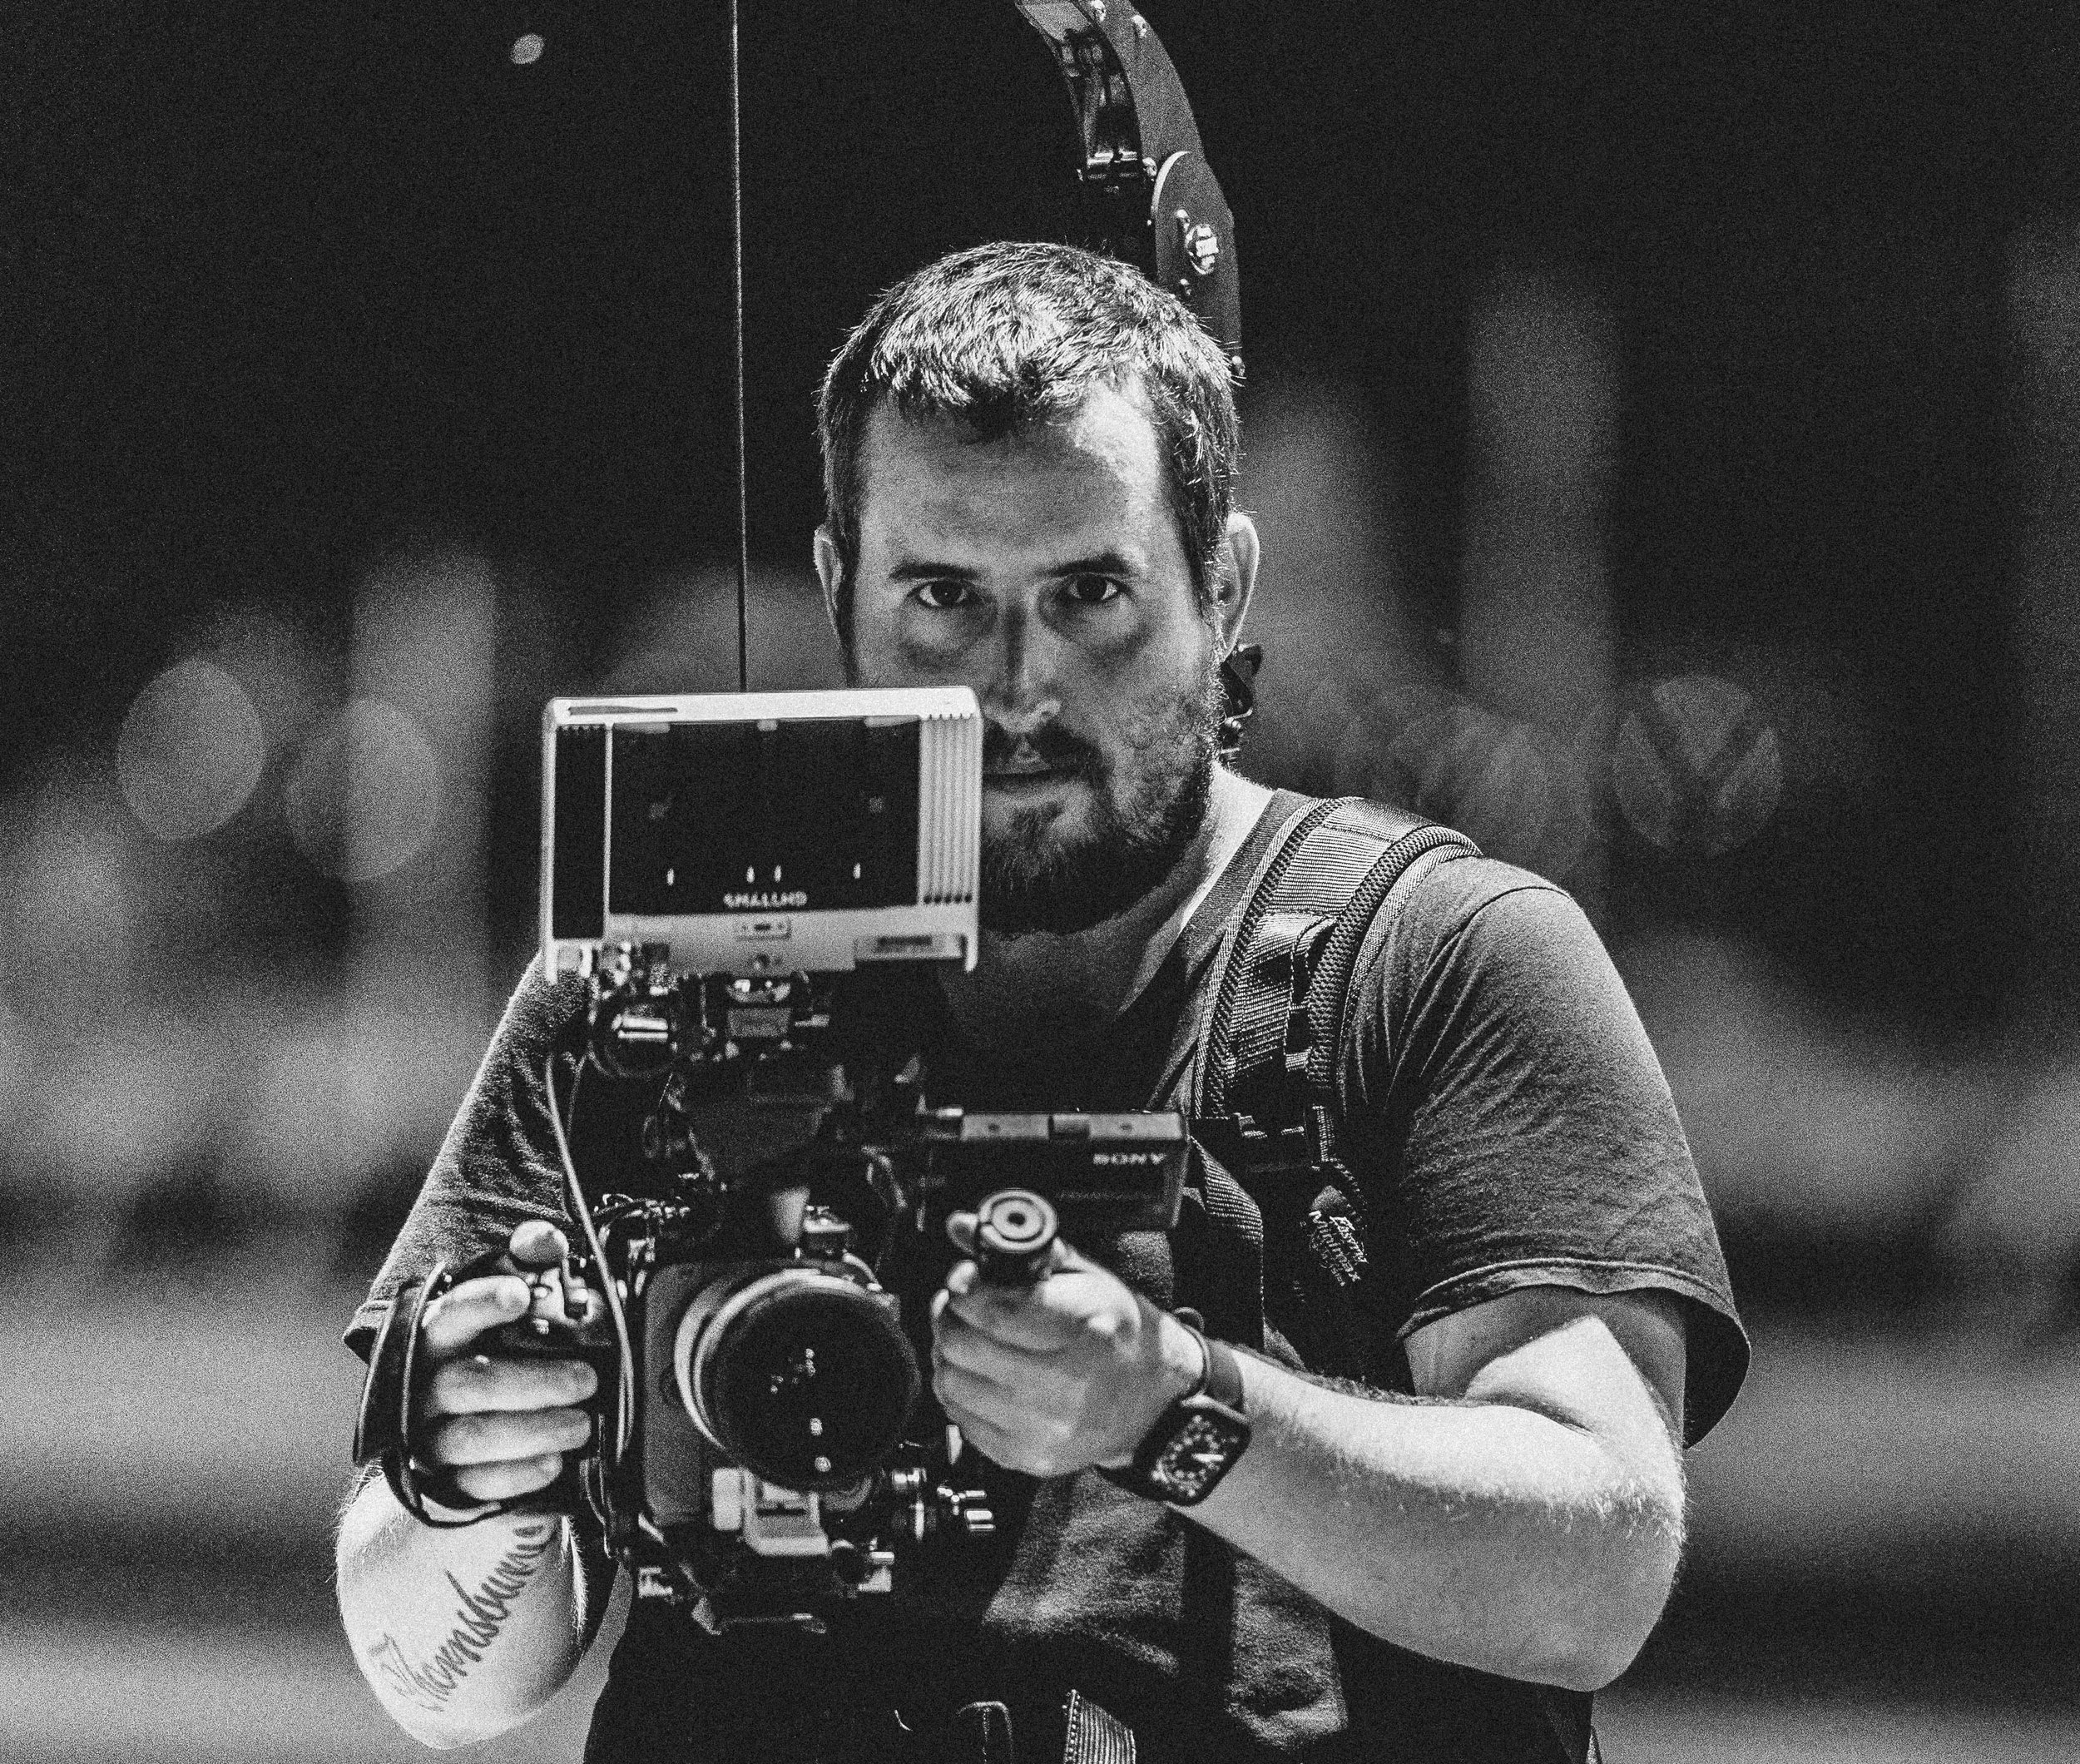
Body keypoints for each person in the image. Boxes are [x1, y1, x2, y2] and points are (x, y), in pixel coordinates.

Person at [334, 240, 1747, 1764]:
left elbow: (1594, 1572)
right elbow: (443, 1686)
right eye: (943, 594)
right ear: (836, 589)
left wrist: (1173, 1409)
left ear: (1223, 589)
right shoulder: (657, 982)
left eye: (1090, 594)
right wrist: (470, 1473)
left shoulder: (1437, 961)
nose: (1017, 684)